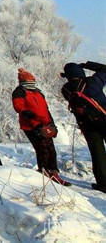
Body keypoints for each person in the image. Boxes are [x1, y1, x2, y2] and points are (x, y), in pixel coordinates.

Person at [12, 68, 71, 186]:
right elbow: (19, 108)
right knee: (42, 148)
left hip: (45, 123)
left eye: (32, 80)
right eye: (29, 80)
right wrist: (33, 119)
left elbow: (46, 109)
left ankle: (53, 172)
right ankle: (44, 172)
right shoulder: (19, 92)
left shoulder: (38, 92)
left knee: (51, 149)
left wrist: (52, 123)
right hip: (30, 126)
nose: (32, 83)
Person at [60, 61, 106, 193]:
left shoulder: (66, 89)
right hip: (104, 119)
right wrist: (87, 64)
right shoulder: (92, 82)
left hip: (87, 125)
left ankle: (103, 184)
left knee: (98, 153)